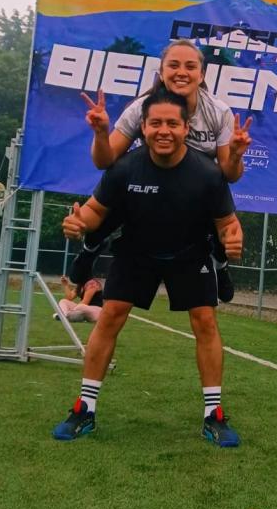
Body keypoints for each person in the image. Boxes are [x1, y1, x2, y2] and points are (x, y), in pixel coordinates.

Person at [53, 87, 244, 448]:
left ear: (186, 128)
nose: (163, 130)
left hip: (189, 253)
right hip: (136, 252)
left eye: (172, 123)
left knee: (205, 321)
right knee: (110, 316)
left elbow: (227, 223)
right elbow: (94, 211)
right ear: (143, 127)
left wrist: (233, 239)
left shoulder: (208, 174)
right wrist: (78, 222)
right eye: (155, 123)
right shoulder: (124, 168)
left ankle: (214, 416)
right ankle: (84, 410)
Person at [69, 39, 252, 303]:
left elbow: (230, 175)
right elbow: (105, 161)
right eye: (173, 65)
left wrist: (234, 155)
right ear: (162, 73)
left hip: (192, 193)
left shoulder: (218, 111)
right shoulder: (142, 107)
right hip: (150, 185)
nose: (181, 72)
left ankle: (220, 266)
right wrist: (100, 133)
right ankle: (89, 250)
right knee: (115, 188)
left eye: (190, 66)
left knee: (220, 216)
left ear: (201, 75)